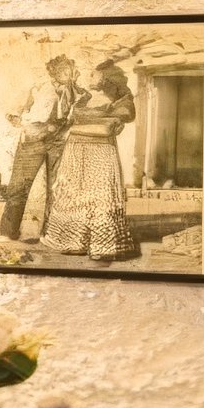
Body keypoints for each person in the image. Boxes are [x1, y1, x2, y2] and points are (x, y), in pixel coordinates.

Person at [35, 60, 141, 263]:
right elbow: (68, 118)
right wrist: (92, 121)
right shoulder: (85, 97)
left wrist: (73, 129)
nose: (88, 77)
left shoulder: (122, 100)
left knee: (100, 196)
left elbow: (109, 128)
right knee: (73, 195)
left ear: (107, 77)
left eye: (93, 74)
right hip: (75, 151)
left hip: (100, 154)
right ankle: (74, 242)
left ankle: (103, 245)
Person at [0, 50, 81, 247]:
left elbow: (74, 114)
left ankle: (51, 233)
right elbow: (13, 113)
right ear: (55, 73)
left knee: (57, 186)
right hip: (32, 140)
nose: (69, 76)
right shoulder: (38, 88)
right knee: (19, 185)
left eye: (71, 72)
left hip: (58, 141)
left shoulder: (74, 91)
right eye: (65, 72)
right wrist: (29, 123)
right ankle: (8, 232)